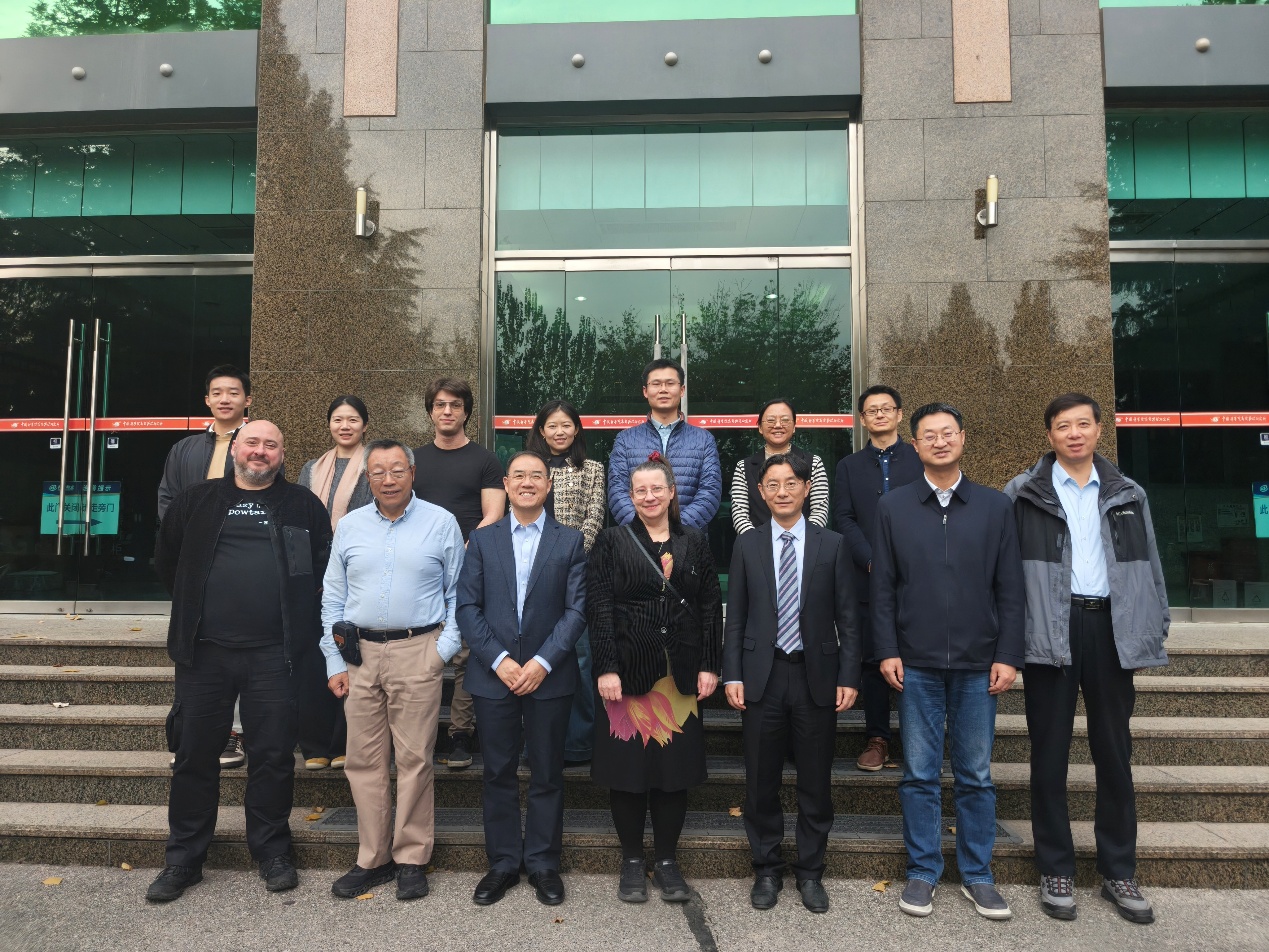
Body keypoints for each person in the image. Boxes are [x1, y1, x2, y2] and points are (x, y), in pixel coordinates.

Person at [147, 420, 332, 902]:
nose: (260, 451)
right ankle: (183, 859)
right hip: (204, 653)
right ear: (235, 449)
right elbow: (168, 562)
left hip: (276, 654)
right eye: (252, 442)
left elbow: (319, 565)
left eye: (271, 444)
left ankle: (272, 852)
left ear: (282, 454)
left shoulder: (302, 505)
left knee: (273, 756)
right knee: (194, 756)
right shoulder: (196, 500)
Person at [1004, 393, 1169, 925]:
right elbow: (1005, 573)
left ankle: (1119, 870)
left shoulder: (1128, 493)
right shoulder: (1023, 493)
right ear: (1049, 435)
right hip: (1049, 627)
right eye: (1062, 426)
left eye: (1082, 424)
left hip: (1109, 628)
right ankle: (1056, 868)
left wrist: (1154, 626)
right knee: (1048, 752)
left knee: (1114, 752)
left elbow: (1149, 565)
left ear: (1100, 429)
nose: (1073, 433)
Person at [871, 402, 1024, 922]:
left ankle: (978, 874)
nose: (940, 441)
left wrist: (1009, 654)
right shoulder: (893, 507)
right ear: (914, 445)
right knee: (919, 773)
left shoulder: (994, 506)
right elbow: (883, 588)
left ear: (962, 438)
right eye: (929, 435)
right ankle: (923, 870)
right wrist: (887, 649)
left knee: (975, 774)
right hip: (915, 663)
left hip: (980, 664)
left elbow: (1010, 588)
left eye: (948, 432)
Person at [321, 439, 464, 902]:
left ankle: (411, 858)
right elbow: (332, 597)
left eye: (397, 470)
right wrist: (334, 659)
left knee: (415, 759)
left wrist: (440, 652)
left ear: (412, 473)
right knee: (363, 761)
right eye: (378, 471)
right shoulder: (350, 526)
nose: (388, 479)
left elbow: (459, 594)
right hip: (358, 654)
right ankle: (373, 857)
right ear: (368, 478)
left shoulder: (440, 522)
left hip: (417, 650)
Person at [723, 453, 860, 914]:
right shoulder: (747, 544)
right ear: (761, 493)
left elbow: (849, 617)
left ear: (806, 488)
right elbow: (736, 616)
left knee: (815, 781)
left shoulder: (833, 544)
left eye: (791, 483)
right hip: (762, 675)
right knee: (760, 782)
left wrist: (849, 674)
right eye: (773, 484)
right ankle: (766, 869)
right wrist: (732, 673)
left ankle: (810, 871)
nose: (782, 491)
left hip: (815, 675)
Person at [588, 455, 722, 904]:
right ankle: (631, 860)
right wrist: (606, 666)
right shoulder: (612, 540)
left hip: (678, 674)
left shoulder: (694, 540)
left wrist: (710, 664)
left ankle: (666, 861)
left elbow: (709, 606)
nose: (649, 497)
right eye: (640, 490)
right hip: (626, 673)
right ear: (630, 497)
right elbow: (599, 606)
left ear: (671, 493)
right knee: (627, 773)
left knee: (672, 774)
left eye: (656, 489)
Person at [456, 450, 588, 907]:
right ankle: (503, 863)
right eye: (519, 476)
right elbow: (467, 607)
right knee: (498, 771)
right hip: (494, 676)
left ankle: (544, 863)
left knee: (548, 772)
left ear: (548, 486)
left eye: (536, 476)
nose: (527, 482)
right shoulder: (483, 539)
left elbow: (576, 611)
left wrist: (542, 662)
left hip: (548, 676)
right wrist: (499, 660)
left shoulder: (570, 541)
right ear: (506, 486)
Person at [157, 364, 254, 770]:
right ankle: (194, 733)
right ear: (207, 400)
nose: (225, 399)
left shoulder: (258, 443)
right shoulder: (185, 449)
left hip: (239, 565)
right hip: (194, 564)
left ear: (247, 400)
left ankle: (233, 733)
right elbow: (168, 500)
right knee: (196, 650)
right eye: (217, 392)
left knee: (237, 648)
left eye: (233, 392)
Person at [412, 377, 506, 770]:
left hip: (471, 567)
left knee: (467, 653)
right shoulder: (414, 460)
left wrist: (463, 549)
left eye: (455, 405)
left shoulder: (485, 461)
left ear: (466, 412)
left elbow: (494, 514)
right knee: (422, 652)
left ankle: (460, 735)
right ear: (431, 411)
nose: (447, 411)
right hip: (421, 570)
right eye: (440, 404)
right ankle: (419, 735)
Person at [833, 384, 923, 772]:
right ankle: (878, 738)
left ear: (900, 414)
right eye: (872, 410)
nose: (880, 415)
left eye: (887, 408)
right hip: (867, 577)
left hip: (918, 579)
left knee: (917, 658)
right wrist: (871, 559)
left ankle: (918, 740)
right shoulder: (849, 466)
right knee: (872, 659)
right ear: (862, 419)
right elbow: (843, 518)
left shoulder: (921, 458)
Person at [525, 399, 605, 763]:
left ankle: (579, 743)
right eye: (552, 425)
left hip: (577, 573)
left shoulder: (592, 469)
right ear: (542, 431)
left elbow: (594, 518)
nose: (560, 431)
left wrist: (566, 558)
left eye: (566, 425)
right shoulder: (530, 469)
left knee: (580, 657)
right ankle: (537, 744)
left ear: (577, 429)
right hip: (530, 575)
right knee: (534, 656)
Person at [296, 395, 373, 771]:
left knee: (352, 656)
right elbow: (297, 522)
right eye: (338, 419)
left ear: (365, 425)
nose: (345, 426)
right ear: (329, 424)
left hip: (358, 575)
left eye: (353, 419)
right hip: (313, 576)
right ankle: (314, 744)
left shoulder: (374, 466)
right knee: (315, 659)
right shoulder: (311, 469)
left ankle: (345, 741)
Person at [607, 359, 722, 531]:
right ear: (645, 391)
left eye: (670, 383)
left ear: (682, 390)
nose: (663, 389)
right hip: (638, 540)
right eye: (656, 384)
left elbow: (710, 491)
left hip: (689, 538)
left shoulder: (704, 439)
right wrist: (645, 530)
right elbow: (617, 492)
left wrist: (677, 530)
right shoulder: (625, 439)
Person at [730, 398, 829, 534]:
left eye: (785, 420)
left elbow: (819, 512)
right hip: (757, 544)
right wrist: (757, 542)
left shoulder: (814, 463)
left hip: (805, 543)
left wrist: (799, 540)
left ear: (794, 427)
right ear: (760, 427)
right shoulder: (743, 467)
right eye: (771, 420)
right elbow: (739, 515)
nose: (777, 425)